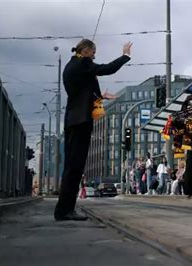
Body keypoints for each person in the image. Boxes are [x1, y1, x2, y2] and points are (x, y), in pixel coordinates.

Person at [54, 39, 132, 221]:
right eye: (94, 51)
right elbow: (106, 69)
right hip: (81, 121)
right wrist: (125, 56)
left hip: (73, 119)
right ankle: (65, 210)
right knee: (75, 167)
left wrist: (100, 96)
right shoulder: (83, 62)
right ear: (86, 50)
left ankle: (64, 209)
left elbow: (81, 90)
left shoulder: (72, 64)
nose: (95, 55)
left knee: (71, 167)